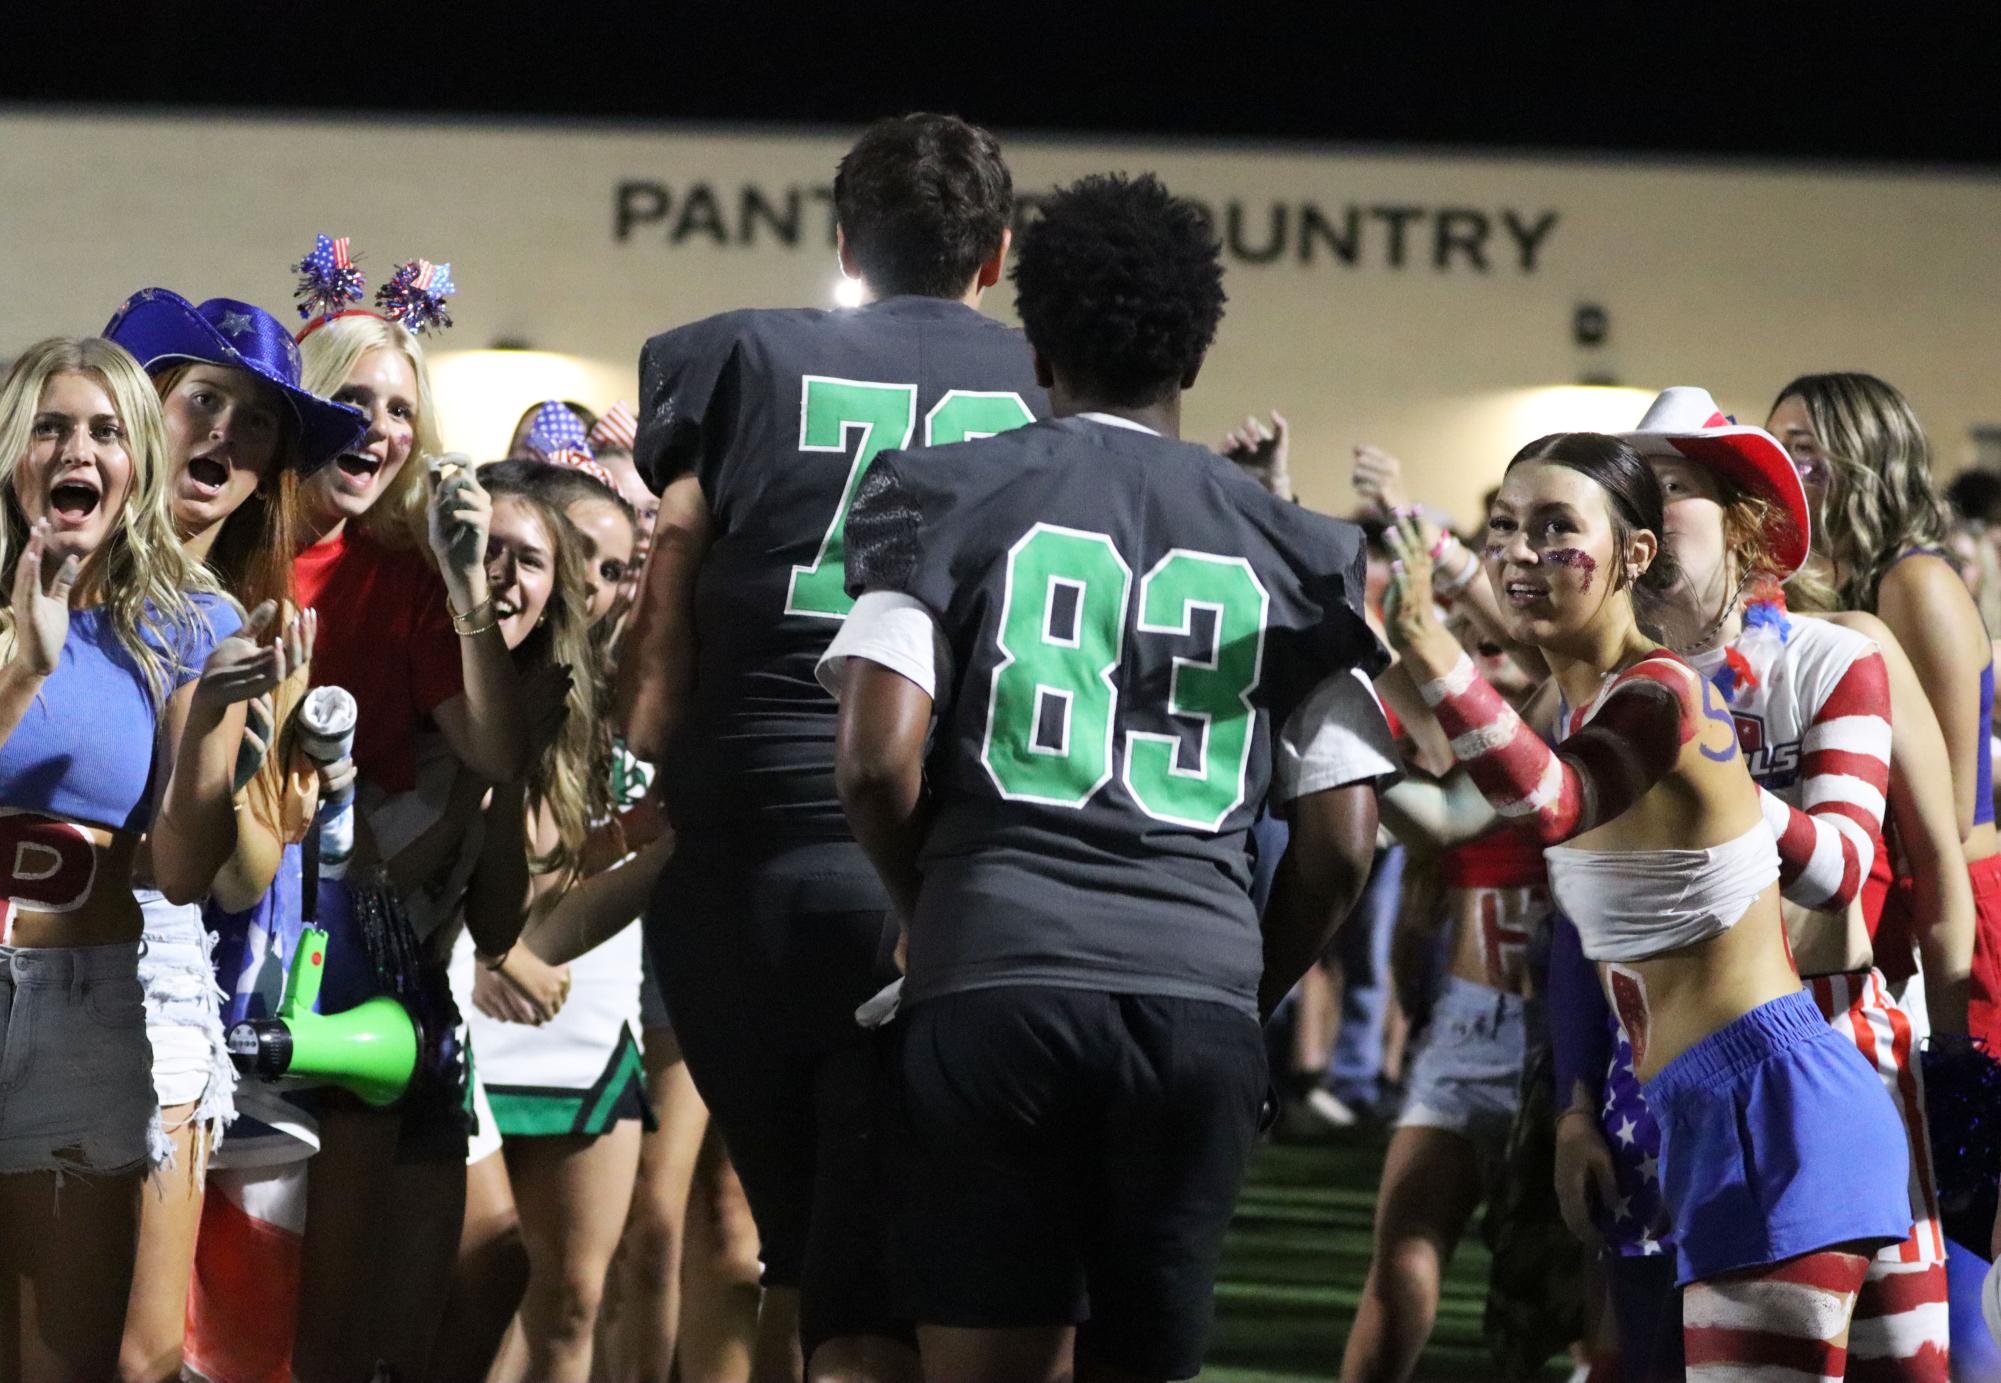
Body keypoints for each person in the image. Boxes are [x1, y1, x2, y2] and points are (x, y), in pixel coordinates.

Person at [823, 170, 1394, 1383]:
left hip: (997, 978)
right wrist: (1242, 986)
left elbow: (876, 762)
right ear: (1193, 349)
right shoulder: (1305, 548)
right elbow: (1345, 845)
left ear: (1036, 342)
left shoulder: (945, 489)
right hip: (1191, 1000)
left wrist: (934, 914)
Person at [620, 111, 1044, 1380]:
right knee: (902, 1268)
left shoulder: (734, 356)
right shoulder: (1048, 381)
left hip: (740, 864)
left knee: (804, 1245)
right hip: (935, 864)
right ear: (997, 256)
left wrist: (652, 751)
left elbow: (669, 589)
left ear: (845, 239)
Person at [1382, 430, 1914, 1376]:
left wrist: (1429, 645)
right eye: (1505, 527)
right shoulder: (1580, 706)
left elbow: (1549, 800)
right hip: (1714, 1108)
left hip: (1769, 1111)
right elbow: (1466, 806)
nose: (1520, 554)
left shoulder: (1663, 693)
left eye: (1555, 528)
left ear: (1633, 552)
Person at [1518, 389, 1959, 1380]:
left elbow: (1843, 868)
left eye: (1672, 487)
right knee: (1669, 1352)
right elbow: (1582, 925)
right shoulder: (1592, 697)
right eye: (1629, 492)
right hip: (1667, 1066)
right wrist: (1574, 1104)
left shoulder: (1832, 653)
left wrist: (1700, 776)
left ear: (1746, 520)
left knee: (1908, 1365)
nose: (1647, 511)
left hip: (1843, 1046)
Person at [0, 336, 283, 1381]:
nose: (81, 450)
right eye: (51, 426)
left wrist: (214, 721)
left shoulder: (187, 620)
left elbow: (180, 868)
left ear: (138, 466)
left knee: (74, 1362)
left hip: (86, 1004)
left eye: (108, 431)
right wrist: (24, 669)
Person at [102, 287, 362, 1383]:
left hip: (163, 990)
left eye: (256, 424)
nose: (226, 434)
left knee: (147, 1350)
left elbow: (238, 877)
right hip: (26, 952)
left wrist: (281, 806)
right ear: (149, 409)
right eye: (205, 400)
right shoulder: (44, 571)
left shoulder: (246, 628)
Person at [287, 249, 529, 1382]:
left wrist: (468, 578)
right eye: (351, 402)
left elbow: (492, 747)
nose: (378, 431)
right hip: (244, 944)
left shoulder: (410, 570)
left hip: (380, 961)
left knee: (383, 1336)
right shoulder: (229, 552)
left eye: (400, 410)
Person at [1346, 611, 1548, 1383]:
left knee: (1587, 1283)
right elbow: (1416, 900)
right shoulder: (1458, 761)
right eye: (1468, 633)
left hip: (1577, 1043)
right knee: (1403, 1248)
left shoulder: (1576, 725)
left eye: (1500, 631)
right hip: (1469, 1027)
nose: (1484, 641)